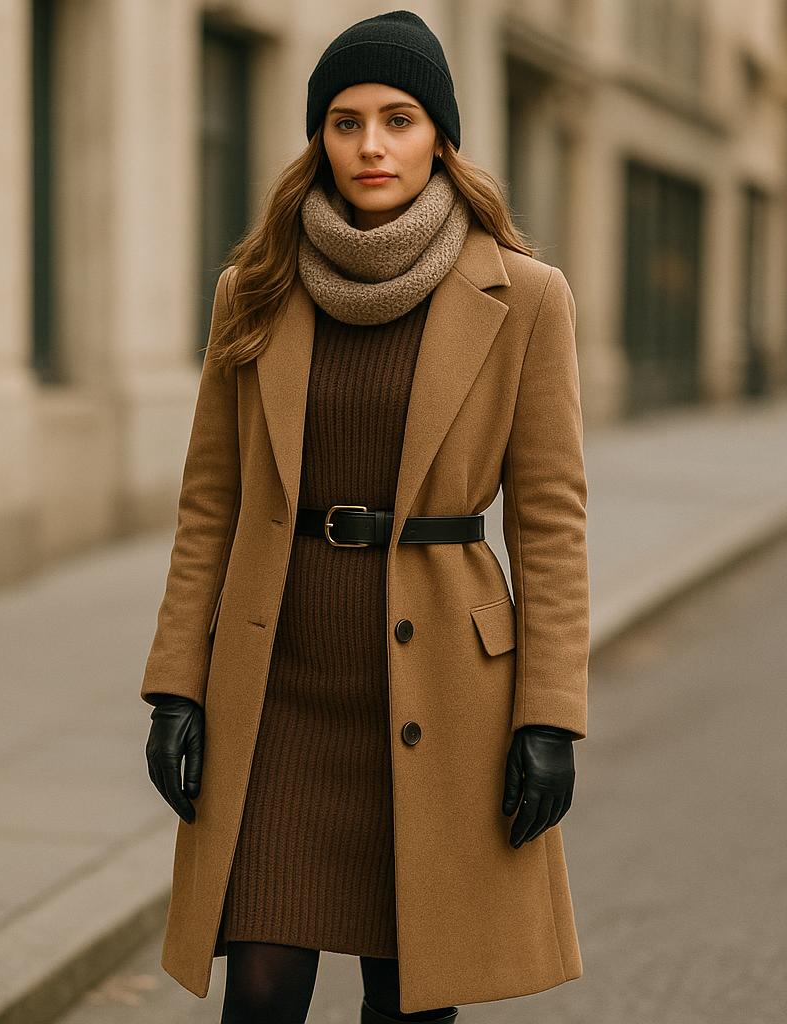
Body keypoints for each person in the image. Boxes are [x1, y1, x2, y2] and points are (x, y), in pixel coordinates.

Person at [142, 11, 589, 1023]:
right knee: (259, 985)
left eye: (399, 118)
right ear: (319, 138)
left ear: (441, 136)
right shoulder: (253, 289)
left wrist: (550, 712)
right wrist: (176, 682)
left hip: (443, 686)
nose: (371, 145)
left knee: (411, 995)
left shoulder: (523, 297)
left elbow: (552, 519)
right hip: (280, 684)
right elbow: (209, 500)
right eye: (345, 122)